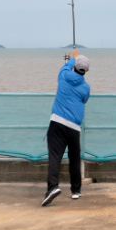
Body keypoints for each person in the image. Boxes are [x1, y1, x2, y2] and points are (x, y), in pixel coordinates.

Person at [42, 49, 91, 206]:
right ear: (87, 71)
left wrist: (73, 58)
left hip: (57, 122)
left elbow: (66, 67)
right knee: (74, 159)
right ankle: (76, 191)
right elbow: (83, 100)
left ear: (74, 66)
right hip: (74, 127)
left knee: (55, 156)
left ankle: (53, 188)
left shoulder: (63, 76)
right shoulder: (86, 87)